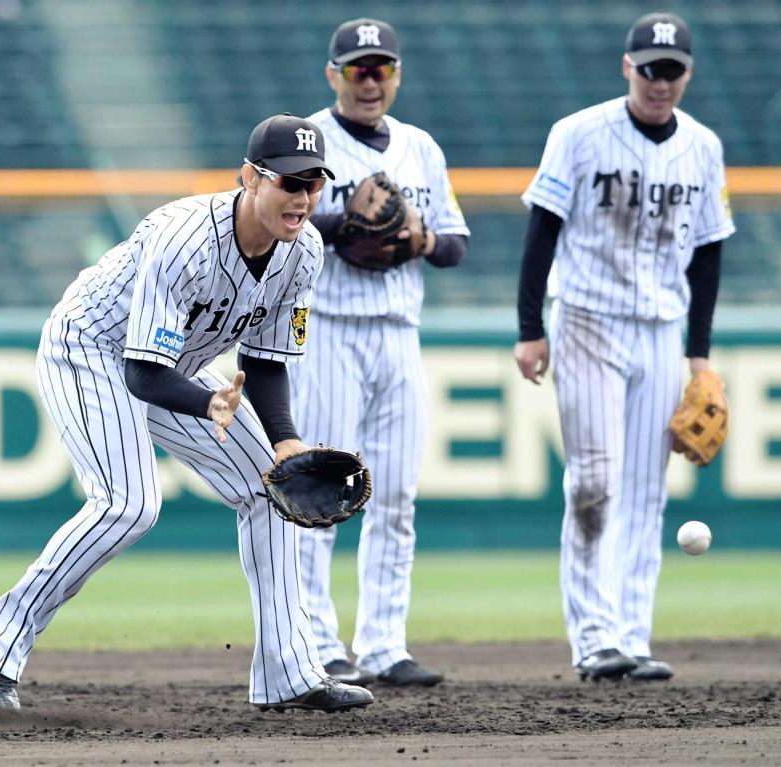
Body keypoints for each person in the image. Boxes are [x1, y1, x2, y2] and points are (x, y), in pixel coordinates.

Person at [0, 113, 374, 713]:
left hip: (175, 365)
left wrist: (284, 440)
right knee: (127, 505)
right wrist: (208, 401)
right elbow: (142, 373)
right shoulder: (185, 239)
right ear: (250, 179)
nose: (302, 197)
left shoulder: (304, 252)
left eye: (313, 184)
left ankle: (291, 673)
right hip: (91, 349)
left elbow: (265, 361)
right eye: (288, 182)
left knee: (273, 487)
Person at [514, 13, 734, 681]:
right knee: (595, 480)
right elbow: (542, 232)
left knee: (646, 489)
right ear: (626, 66)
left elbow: (708, 254)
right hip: (586, 319)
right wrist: (530, 327)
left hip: (663, 328)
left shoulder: (703, 146)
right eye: (648, 68)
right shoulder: (578, 134)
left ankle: (631, 635)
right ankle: (593, 636)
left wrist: (700, 355)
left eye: (671, 70)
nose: (659, 82)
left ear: (687, 74)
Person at [290, 18, 470, 687]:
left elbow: (455, 243)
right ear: (333, 74)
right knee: (319, 495)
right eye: (357, 68)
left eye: (382, 68)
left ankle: (385, 645)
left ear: (397, 75)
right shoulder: (308, 140)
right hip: (328, 327)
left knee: (395, 494)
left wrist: (415, 237)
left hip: (398, 332)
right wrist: (344, 225)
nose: (370, 80)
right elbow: (276, 220)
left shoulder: (421, 147)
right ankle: (316, 642)